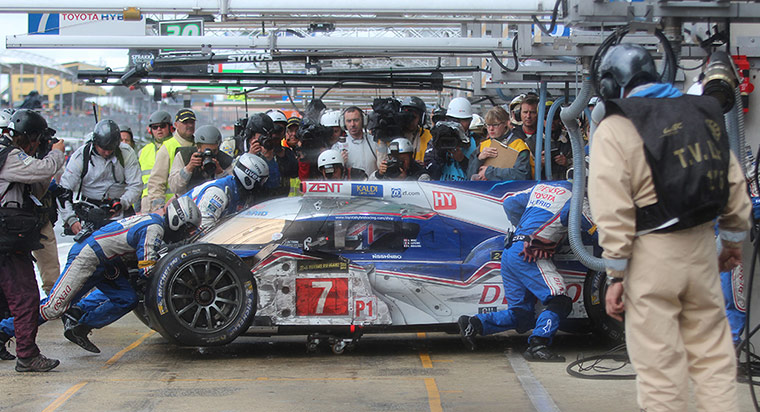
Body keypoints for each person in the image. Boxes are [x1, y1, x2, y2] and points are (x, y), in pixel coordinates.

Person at [588, 44, 751, 411]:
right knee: (714, 360)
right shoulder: (700, 114)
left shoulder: (615, 126)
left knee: (661, 372)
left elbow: (612, 210)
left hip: (651, 258)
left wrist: (616, 274)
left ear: (613, 85)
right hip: (702, 251)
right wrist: (732, 242)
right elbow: (733, 186)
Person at [0, 197, 202, 355]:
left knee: (127, 299)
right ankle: (3, 331)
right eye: (188, 229)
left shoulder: (153, 220)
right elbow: (147, 268)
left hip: (105, 262)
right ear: (178, 220)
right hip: (88, 257)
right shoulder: (155, 227)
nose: (187, 233)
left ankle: (81, 325)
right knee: (53, 308)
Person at [458, 181, 596, 361]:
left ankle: (474, 323)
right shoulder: (577, 199)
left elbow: (509, 203)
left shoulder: (541, 188)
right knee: (560, 301)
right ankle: (538, 344)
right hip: (529, 254)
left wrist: (524, 231)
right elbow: (594, 227)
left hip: (510, 251)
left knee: (522, 314)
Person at [0, 109, 65, 372]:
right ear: (28, 136)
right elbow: (43, 170)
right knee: (25, 297)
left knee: (4, 300)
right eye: (36, 139)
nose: (37, 145)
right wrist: (57, 152)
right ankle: (27, 355)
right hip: (6, 243)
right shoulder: (10, 155)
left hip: (6, 241)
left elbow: (36, 187)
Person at [59, 119, 142, 238]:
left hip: (119, 212)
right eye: (104, 149)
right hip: (89, 212)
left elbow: (135, 185)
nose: (107, 152)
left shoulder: (126, 153)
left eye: (111, 149)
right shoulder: (81, 156)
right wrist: (71, 219)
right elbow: (63, 191)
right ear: (95, 143)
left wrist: (122, 203)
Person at [182, 153, 269, 231]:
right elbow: (204, 226)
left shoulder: (243, 194)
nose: (262, 186)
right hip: (182, 231)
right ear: (249, 178)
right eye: (261, 181)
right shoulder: (219, 192)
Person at [146, 108, 196, 211]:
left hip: (195, 203)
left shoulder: (199, 144)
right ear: (176, 125)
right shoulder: (167, 147)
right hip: (172, 208)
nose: (189, 125)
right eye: (185, 122)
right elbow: (156, 182)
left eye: (192, 122)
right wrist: (159, 208)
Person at [168, 125, 234, 196]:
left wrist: (220, 173)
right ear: (198, 147)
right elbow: (174, 187)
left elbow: (233, 189)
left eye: (214, 151)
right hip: (188, 201)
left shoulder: (225, 160)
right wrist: (188, 168)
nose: (209, 155)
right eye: (206, 151)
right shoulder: (184, 156)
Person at [471, 106, 532, 181]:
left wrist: (489, 172)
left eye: (495, 125)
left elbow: (522, 176)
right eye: (488, 125)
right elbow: (469, 176)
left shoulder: (519, 146)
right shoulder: (483, 145)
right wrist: (478, 159)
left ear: (506, 123)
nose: (491, 129)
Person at [248, 117, 298, 198]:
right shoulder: (252, 152)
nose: (275, 136)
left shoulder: (288, 153)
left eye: (279, 131)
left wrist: (271, 158)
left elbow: (275, 182)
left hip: (280, 199)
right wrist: (251, 156)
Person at [139, 110, 173, 211]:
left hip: (169, 202)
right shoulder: (143, 152)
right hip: (147, 204)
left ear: (170, 128)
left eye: (162, 126)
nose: (159, 130)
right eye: (155, 127)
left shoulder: (175, 147)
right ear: (150, 130)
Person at [340, 106, 378, 179]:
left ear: (364, 121)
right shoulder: (339, 146)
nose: (352, 124)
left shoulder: (374, 142)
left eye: (356, 120)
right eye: (349, 121)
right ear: (343, 123)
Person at [400, 96, 433, 164]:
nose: (410, 120)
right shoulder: (392, 135)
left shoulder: (428, 136)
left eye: (414, 117)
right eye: (407, 116)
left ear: (421, 119)